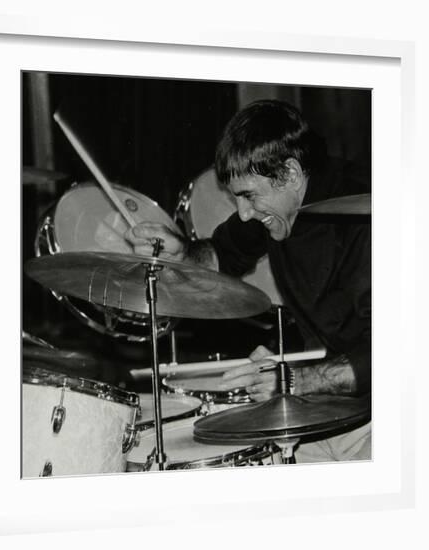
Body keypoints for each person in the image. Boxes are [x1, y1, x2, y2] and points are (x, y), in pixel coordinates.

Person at [125, 99, 371, 462]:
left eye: (248, 196)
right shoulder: (275, 205)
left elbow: (402, 352)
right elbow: (222, 254)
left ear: (289, 172)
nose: (243, 212)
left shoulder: (366, 217)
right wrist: (183, 253)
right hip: (328, 407)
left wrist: (293, 382)